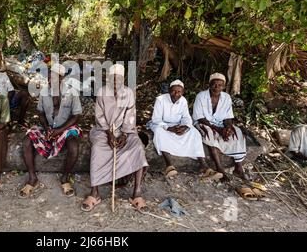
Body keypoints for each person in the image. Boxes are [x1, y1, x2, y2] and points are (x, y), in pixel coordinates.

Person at [81, 64, 149, 212]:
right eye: (112, 79)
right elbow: (99, 116)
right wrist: (109, 133)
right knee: (98, 148)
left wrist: (124, 134)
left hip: (126, 130)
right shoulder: (102, 92)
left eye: (118, 79)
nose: (115, 82)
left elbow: (130, 116)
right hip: (103, 129)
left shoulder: (129, 93)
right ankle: (95, 193)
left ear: (123, 79)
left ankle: (136, 193)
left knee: (137, 147)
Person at [20, 63, 82, 198]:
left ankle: (65, 178)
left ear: (61, 79)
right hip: (48, 127)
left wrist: (60, 130)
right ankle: (32, 178)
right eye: (48, 77)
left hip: (65, 127)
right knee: (26, 140)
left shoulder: (71, 91)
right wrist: (47, 127)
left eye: (52, 77)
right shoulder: (44, 91)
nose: (49, 80)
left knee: (74, 146)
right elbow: (41, 112)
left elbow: (76, 116)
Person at [150, 80, 222, 179]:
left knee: (194, 133)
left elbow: (186, 117)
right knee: (159, 132)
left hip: (177, 125)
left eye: (179, 92)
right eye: (174, 91)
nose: (176, 94)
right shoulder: (160, 99)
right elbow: (156, 119)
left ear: (182, 92)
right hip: (162, 124)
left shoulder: (183, 100)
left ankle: (204, 166)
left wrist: (185, 127)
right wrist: (168, 128)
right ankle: (169, 166)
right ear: (169, 90)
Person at [193, 73, 247, 181]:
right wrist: (218, 129)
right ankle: (219, 168)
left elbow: (228, 117)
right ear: (209, 84)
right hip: (204, 123)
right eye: (214, 84)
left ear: (224, 86)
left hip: (220, 124)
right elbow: (199, 117)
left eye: (220, 85)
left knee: (237, 132)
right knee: (210, 134)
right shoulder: (201, 96)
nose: (216, 87)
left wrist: (227, 129)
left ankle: (238, 167)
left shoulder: (226, 98)